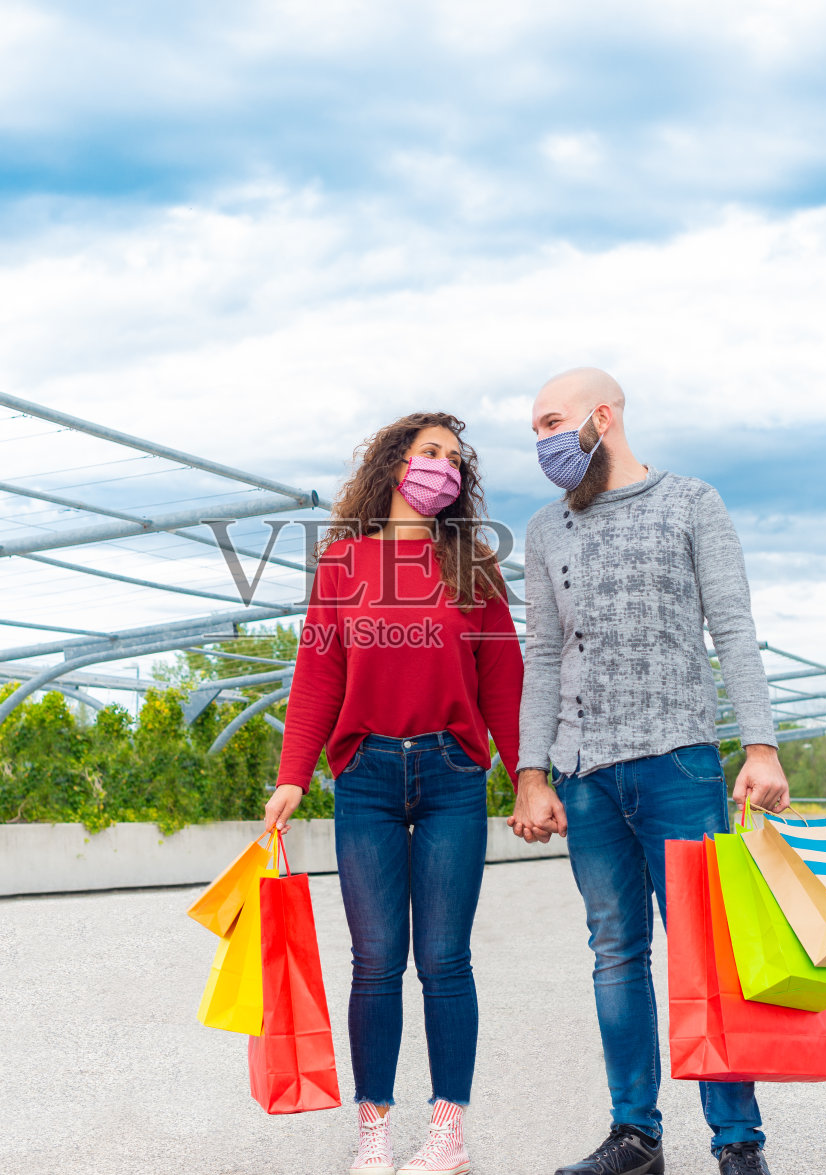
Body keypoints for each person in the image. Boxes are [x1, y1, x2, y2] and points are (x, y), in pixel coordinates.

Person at [509, 368, 791, 1175]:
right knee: (615, 954)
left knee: (706, 954)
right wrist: (533, 771)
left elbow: (734, 627)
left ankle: (738, 1143)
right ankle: (635, 1136)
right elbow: (541, 657)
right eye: (534, 429)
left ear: (603, 416)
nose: (543, 442)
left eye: (552, 422)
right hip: (587, 776)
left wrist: (760, 744)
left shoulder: (692, 502)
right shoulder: (545, 529)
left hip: (680, 764)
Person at [265, 411, 524, 1175]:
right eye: (428, 452)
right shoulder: (342, 564)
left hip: (451, 773)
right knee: (375, 959)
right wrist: (291, 775)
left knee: (445, 959)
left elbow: (502, 680)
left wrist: (528, 776)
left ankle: (449, 1133)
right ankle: (373, 1129)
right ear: (394, 466)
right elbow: (319, 672)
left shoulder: (473, 567)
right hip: (366, 776)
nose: (441, 466)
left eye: (453, 458)